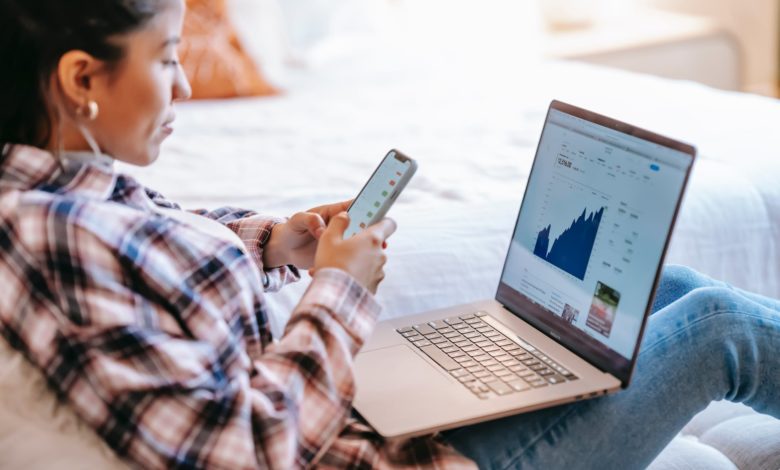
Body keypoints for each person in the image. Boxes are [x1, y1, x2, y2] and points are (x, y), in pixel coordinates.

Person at [0, 1, 777, 468]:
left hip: (366, 419)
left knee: (671, 291)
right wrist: (338, 291)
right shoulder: (53, 236)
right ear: (81, 80)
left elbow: (150, 252)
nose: (187, 85)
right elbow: (243, 453)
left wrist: (277, 242)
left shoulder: (59, 193)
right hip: (392, 459)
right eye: (167, 59)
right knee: (718, 329)